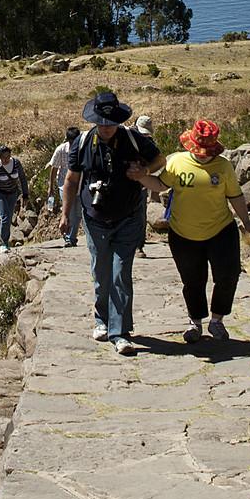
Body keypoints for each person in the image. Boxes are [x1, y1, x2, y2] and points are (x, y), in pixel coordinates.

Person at [63, 90, 161, 355]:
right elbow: (71, 181)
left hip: (127, 216)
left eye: (110, 123)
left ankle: (120, 332)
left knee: (120, 273)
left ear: (118, 120)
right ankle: (101, 319)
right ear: (94, 120)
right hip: (94, 219)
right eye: (102, 123)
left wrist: (144, 172)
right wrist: (65, 215)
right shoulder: (82, 143)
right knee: (101, 271)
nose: (106, 128)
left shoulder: (132, 139)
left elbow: (159, 159)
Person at [159, 119, 250, 341]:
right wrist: (141, 177)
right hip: (183, 233)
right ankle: (195, 322)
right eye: (199, 150)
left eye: (207, 151)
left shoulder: (223, 166)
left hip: (220, 230)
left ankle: (217, 320)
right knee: (193, 280)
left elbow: (235, 196)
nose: (203, 155)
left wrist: (247, 222)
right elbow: (161, 185)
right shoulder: (177, 163)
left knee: (228, 275)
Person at [47, 126, 83, 246]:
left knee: (78, 213)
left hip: (80, 184)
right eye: (71, 141)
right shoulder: (61, 150)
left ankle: (72, 237)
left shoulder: (83, 149)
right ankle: (69, 237)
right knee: (70, 211)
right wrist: (50, 187)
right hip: (64, 185)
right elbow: (54, 168)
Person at [0, 145, 25, 251]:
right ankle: (3, 243)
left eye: (8, 156)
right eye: (3, 157)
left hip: (12, 193)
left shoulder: (16, 163)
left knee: (9, 216)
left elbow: (22, 178)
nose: (6, 159)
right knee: (5, 216)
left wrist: (25, 194)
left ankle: (5, 240)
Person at [133, 114, 157, 258]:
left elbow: (155, 162)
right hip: (123, 183)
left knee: (140, 215)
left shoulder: (150, 143)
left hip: (141, 184)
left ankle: (138, 246)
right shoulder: (125, 139)